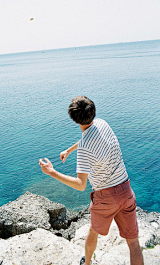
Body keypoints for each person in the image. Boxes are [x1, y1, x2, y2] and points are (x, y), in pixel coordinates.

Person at [39, 96, 144, 265]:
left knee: (93, 232)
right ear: (93, 111)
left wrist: (52, 172)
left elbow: (81, 185)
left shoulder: (84, 149)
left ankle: (87, 263)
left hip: (106, 197)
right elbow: (88, 138)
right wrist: (69, 149)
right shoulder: (103, 124)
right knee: (133, 242)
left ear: (74, 120)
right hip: (126, 190)